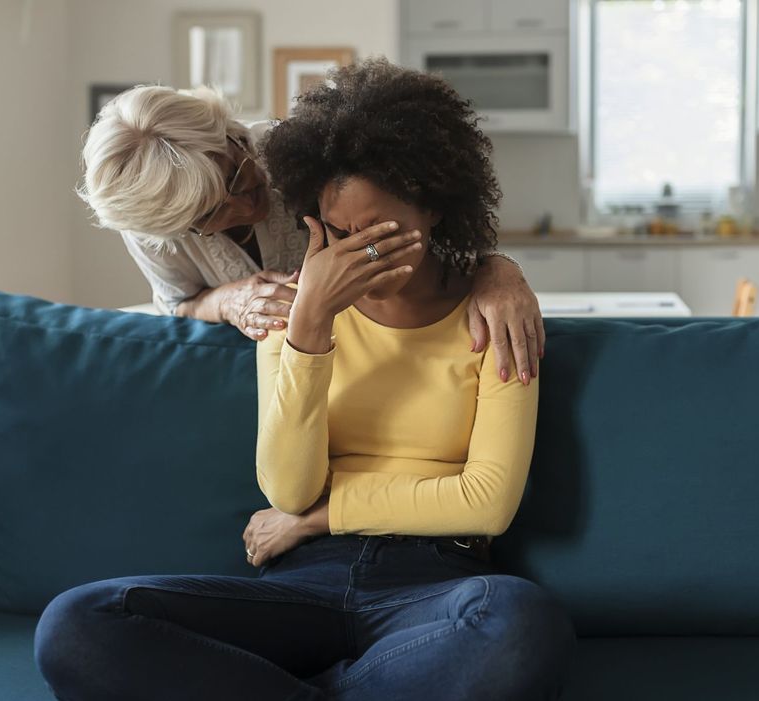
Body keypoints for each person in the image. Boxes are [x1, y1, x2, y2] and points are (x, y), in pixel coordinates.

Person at [35, 58, 574, 701]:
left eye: (379, 233)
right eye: (340, 234)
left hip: (435, 584)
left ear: (433, 205)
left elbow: (486, 503)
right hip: (301, 584)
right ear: (316, 221)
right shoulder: (286, 315)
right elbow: (288, 489)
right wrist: (309, 325)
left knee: (520, 622)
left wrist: (316, 519)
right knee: (78, 624)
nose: (361, 254)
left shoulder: (494, 322)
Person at [78, 81, 544, 385]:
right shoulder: (155, 230)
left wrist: (497, 270)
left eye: (237, 175)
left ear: (229, 133)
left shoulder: (305, 152)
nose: (245, 205)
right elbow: (177, 304)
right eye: (211, 214)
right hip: (277, 373)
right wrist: (228, 301)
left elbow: (425, 235)